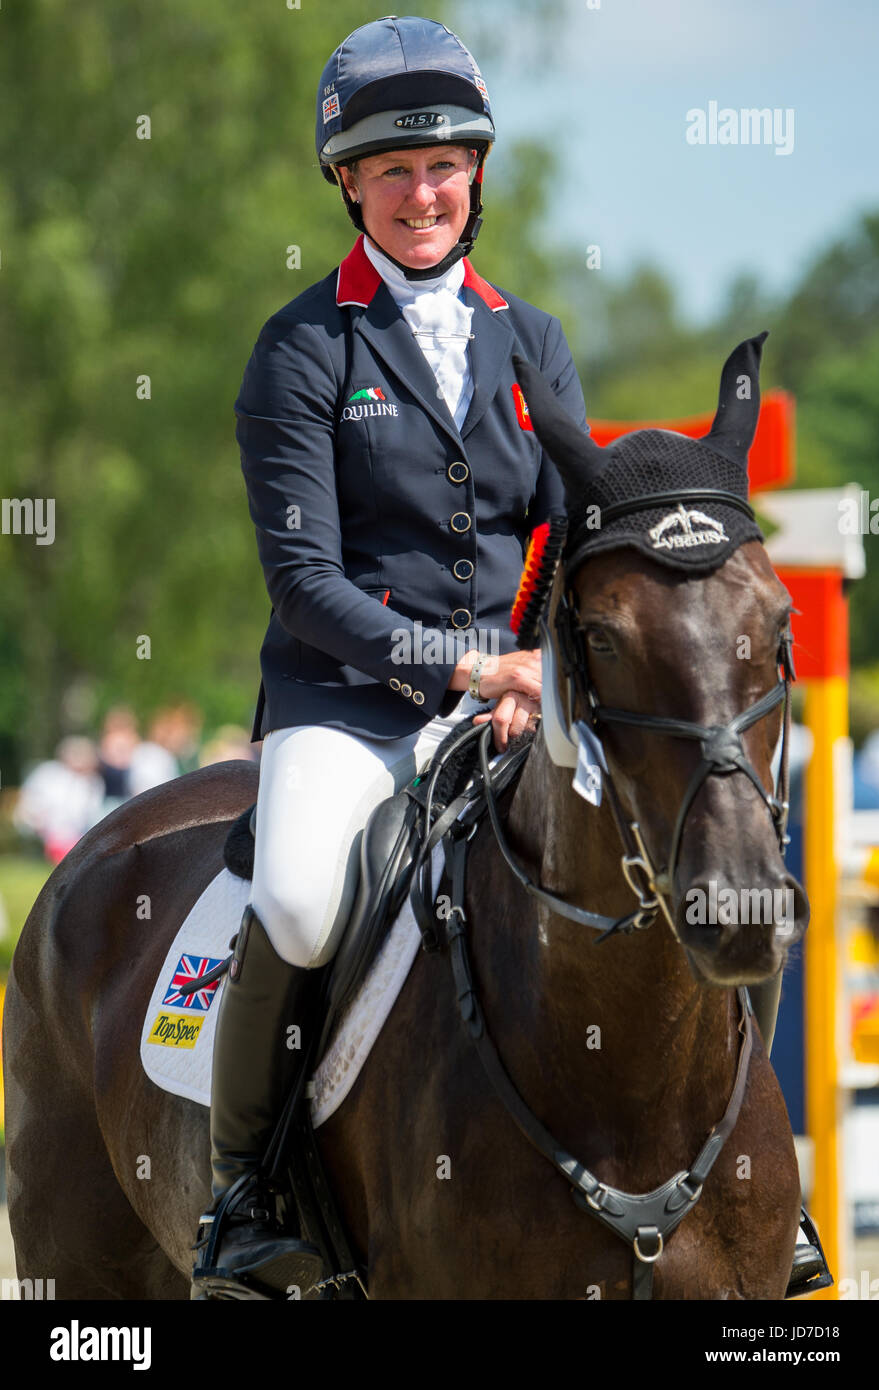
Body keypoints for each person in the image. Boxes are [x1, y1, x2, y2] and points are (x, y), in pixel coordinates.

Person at [191, 15, 588, 1299]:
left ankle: (749, 1170)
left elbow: (571, 530)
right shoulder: (302, 349)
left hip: (521, 697)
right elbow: (305, 587)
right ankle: (244, 1193)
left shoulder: (531, 341)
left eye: (445, 166)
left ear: (476, 176)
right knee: (302, 895)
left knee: (673, 843)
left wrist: (543, 662)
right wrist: (475, 669)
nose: (424, 191)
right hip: (346, 704)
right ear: (348, 182)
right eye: (393, 169)